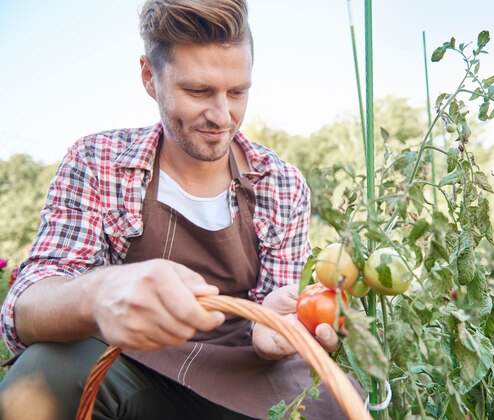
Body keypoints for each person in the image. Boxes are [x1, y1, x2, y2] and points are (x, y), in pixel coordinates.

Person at [0, 1, 349, 418]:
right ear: (150, 77)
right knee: (41, 377)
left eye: (238, 92)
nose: (223, 116)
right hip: (134, 368)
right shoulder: (98, 162)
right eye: (198, 91)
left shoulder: (281, 183)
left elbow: (277, 307)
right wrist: (99, 295)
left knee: (332, 404)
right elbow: (24, 307)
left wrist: (269, 331)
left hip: (246, 378)